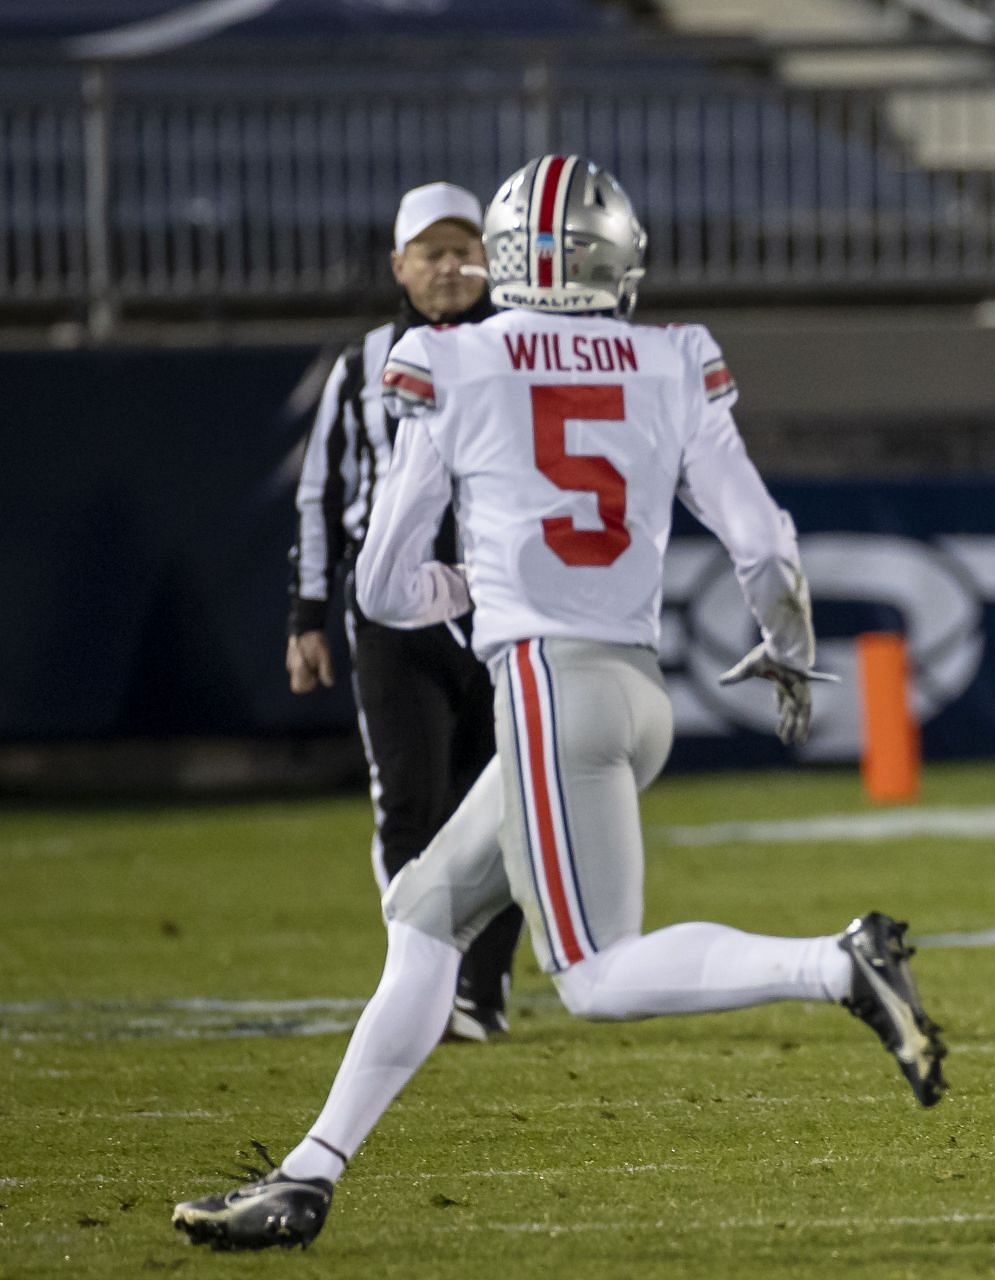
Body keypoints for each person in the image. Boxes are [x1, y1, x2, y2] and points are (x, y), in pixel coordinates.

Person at [173, 155, 946, 1252]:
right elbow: (764, 541)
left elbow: (383, 581)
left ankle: (837, 959)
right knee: (425, 912)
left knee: (590, 976)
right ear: (618, 256)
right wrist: (786, 650)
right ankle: (307, 1174)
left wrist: (462, 590)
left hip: (542, 683)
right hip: (635, 690)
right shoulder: (676, 356)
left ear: (506, 254)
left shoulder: (447, 358)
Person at [286, 181, 523, 1042]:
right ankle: (417, 985)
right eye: (433, 252)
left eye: (465, 249)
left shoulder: (518, 347)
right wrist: (305, 616)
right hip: (394, 617)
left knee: (506, 804)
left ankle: (482, 988)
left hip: (503, 603)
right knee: (411, 804)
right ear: (400, 265)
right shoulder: (361, 365)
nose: (452, 266)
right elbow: (322, 495)